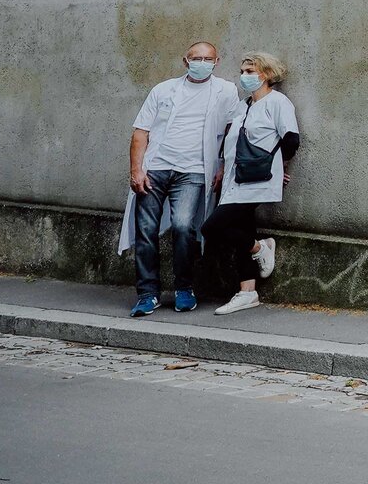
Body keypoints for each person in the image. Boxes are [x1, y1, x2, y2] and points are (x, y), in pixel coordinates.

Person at [123, 41, 238, 315]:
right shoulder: (163, 90)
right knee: (145, 230)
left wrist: (223, 164)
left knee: (185, 226)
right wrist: (136, 170)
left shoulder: (226, 91)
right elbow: (141, 132)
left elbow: (233, 130)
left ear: (216, 61)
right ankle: (147, 293)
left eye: (207, 58)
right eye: (196, 58)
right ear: (185, 61)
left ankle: (184, 288)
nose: (202, 62)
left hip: (194, 171)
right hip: (156, 168)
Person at [206, 52, 300, 317]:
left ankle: (260, 248)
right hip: (235, 180)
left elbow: (291, 140)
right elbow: (232, 143)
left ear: (267, 74)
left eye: (251, 71)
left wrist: (281, 168)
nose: (245, 76)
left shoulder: (278, 103)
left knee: (212, 227)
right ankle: (248, 292)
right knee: (241, 229)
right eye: (243, 71)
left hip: (258, 181)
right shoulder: (242, 105)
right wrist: (223, 169)